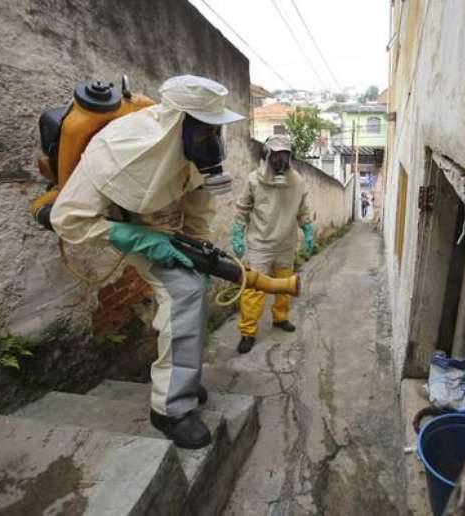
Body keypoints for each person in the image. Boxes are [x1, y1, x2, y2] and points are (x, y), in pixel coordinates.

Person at [50, 75, 244, 449]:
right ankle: (170, 409)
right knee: (184, 293)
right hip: (128, 226)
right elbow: (69, 219)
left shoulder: (194, 147)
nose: (212, 140)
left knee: (192, 289)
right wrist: (138, 238)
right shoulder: (117, 148)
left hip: (168, 230)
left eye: (214, 130)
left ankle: (179, 379)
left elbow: (198, 206)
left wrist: (199, 252)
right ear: (178, 122)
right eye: (205, 129)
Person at [231, 135, 314, 354]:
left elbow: (303, 210)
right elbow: (242, 208)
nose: (280, 161)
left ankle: (280, 318)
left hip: (286, 244)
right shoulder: (253, 180)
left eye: (284, 156)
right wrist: (238, 233)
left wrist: (307, 229)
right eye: (275, 156)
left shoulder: (297, 183)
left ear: (290, 158)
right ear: (267, 156)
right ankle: (248, 331)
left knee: (284, 286)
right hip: (259, 246)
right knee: (253, 290)